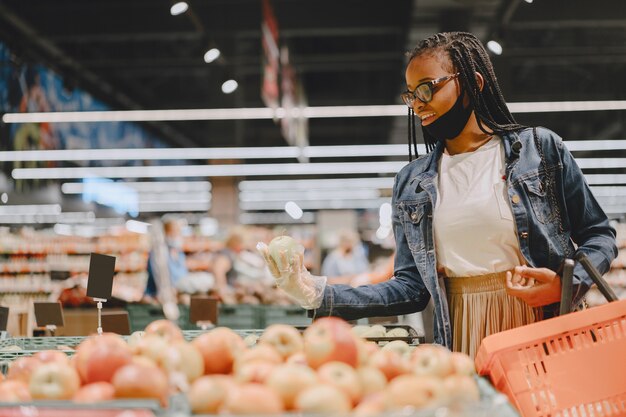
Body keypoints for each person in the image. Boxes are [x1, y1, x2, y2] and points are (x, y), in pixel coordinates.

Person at [259, 32, 618, 358]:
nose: (418, 103)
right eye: (411, 94)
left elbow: (598, 234)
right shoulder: (412, 183)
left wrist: (564, 285)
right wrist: (318, 292)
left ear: (473, 83)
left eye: (427, 88)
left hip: (544, 325)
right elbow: (411, 288)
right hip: (460, 330)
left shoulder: (540, 150)